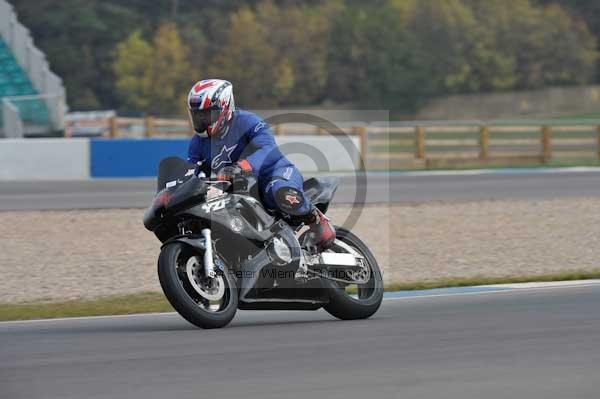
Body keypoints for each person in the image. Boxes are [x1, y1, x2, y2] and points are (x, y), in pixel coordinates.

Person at [186, 79, 335, 250]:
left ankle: (315, 218)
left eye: (206, 114)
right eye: (197, 115)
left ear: (224, 107)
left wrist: (242, 166)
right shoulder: (197, 144)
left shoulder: (247, 121)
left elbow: (268, 148)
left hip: (273, 173)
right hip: (238, 188)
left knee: (281, 194)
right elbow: (192, 172)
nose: (201, 119)